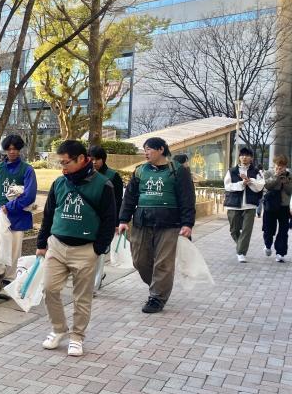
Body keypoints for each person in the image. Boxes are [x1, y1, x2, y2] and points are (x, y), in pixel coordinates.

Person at [37, 140, 117, 356]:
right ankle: (58, 329)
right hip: (57, 245)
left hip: (85, 249)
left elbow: (110, 220)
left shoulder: (103, 184)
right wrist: (41, 243)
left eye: (66, 162)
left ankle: (77, 336)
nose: (62, 167)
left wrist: (98, 249)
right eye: (60, 162)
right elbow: (48, 215)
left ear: (82, 159)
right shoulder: (59, 183)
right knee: (49, 288)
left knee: (82, 297)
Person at [118, 137, 195, 313]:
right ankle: (159, 284)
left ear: (161, 149)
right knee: (139, 261)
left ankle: (157, 298)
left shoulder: (178, 171)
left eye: (149, 149)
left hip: (169, 224)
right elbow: (129, 197)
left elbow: (187, 198)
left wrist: (187, 223)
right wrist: (123, 220)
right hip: (141, 221)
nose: (146, 152)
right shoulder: (139, 171)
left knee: (163, 263)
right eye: (144, 149)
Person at [0, 134, 37, 294]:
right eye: (9, 149)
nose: (12, 152)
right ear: (5, 150)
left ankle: (10, 282)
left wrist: (11, 207)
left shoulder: (27, 170)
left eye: (15, 149)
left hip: (17, 216)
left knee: (14, 251)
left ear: (19, 150)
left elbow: (30, 195)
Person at [89, 145, 124, 292]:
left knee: (101, 253)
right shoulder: (86, 174)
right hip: (89, 221)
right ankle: (95, 278)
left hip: (105, 221)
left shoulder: (113, 176)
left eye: (97, 159)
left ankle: (94, 285)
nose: (94, 162)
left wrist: (117, 223)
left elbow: (118, 201)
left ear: (103, 160)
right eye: (91, 159)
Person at [224, 147, 265, 262]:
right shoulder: (231, 171)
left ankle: (241, 252)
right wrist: (242, 183)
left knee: (247, 230)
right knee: (234, 230)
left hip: (250, 205)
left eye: (247, 155)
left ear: (251, 158)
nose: (244, 157)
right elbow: (227, 186)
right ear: (239, 157)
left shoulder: (256, 171)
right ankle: (240, 246)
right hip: (233, 204)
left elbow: (260, 186)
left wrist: (250, 180)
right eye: (242, 155)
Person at [262, 155, 291, 262]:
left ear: (286, 166)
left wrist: (286, 182)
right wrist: (276, 176)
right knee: (269, 229)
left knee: (284, 230)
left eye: (283, 166)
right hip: (271, 205)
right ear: (274, 165)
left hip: (284, 206)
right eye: (278, 165)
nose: (280, 168)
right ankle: (268, 245)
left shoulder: (289, 175)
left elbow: (290, 191)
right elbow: (267, 186)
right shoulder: (268, 173)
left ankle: (280, 252)